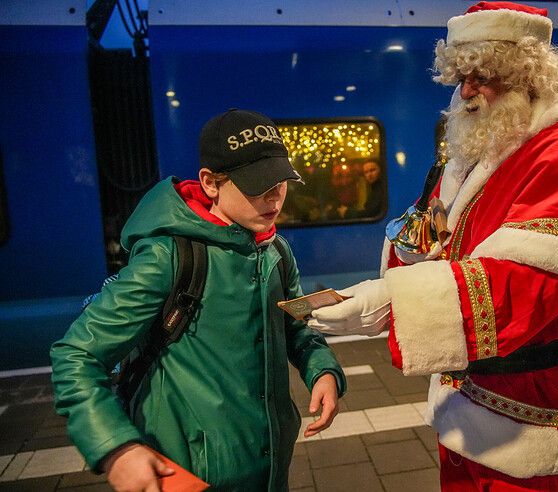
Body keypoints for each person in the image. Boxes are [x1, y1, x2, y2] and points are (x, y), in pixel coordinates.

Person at [309, 3, 558, 491]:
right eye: (461, 77)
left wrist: (394, 303)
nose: (467, 92)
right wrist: (388, 278)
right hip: (470, 391)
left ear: (529, 78)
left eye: (483, 76)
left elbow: (524, 287)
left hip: (533, 408)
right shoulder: (478, 151)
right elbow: (430, 231)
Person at [51, 109, 346, 491]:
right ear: (210, 183)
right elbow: (76, 355)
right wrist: (116, 448)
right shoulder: (168, 257)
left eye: (281, 182)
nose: (274, 198)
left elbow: (294, 321)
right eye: (258, 185)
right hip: (190, 470)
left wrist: (321, 368)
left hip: (270, 463)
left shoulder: (276, 251)